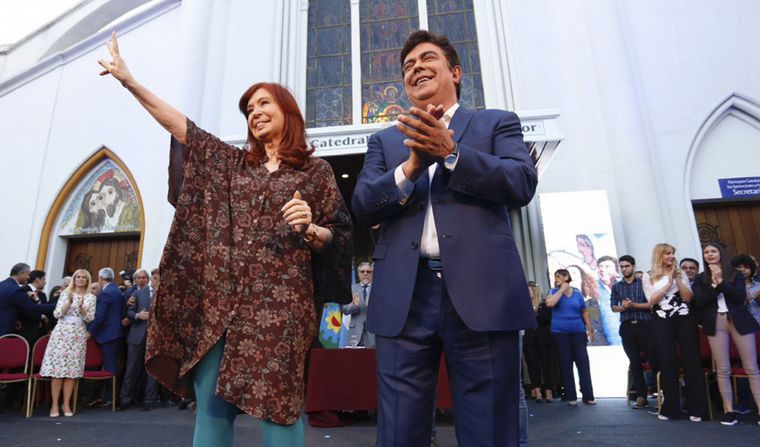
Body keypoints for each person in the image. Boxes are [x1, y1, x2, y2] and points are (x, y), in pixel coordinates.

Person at [98, 33, 352, 447]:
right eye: (249, 110)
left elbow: (338, 237)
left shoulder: (315, 171)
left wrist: (311, 229)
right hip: (221, 311)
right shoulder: (233, 164)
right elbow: (183, 127)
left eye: (264, 104)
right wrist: (130, 81)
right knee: (212, 412)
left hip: (282, 311)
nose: (255, 113)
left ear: (288, 111)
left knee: (279, 413)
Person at [351, 30, 537, 446]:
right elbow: (363, 204)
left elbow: (521, 182)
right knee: (399, 431)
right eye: (408, 66)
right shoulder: (385, 141)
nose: (415, 67)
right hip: (404, 296)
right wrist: (412, 167)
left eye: (427, 58)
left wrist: (452, 153)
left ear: (455, 72)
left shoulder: (496, 123)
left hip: (482, 292)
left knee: (490, 428)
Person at [693, 244, 760, 426]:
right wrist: (715, 285)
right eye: (706, 252)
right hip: (716, 321)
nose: (709, 254)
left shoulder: (735, 274)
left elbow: (739, 297)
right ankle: (729, 410)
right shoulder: (700, 278)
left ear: (721, 254)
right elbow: (700, 302)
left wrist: (721, 282)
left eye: (713, 251)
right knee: (722, 369)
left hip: (738, 320)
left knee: (751, 367)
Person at [642, 243, 706, 422]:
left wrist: (677, 279)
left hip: (684, 317)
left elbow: (687, 297)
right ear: (659, 256)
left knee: (691, 360)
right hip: (661, 319)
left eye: (672, 253)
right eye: (667, 253)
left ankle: (696, 409)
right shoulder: (648, 275)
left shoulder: (681, 273)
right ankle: (671, 408)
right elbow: (652, 300)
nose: (671, 256)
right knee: (667, 361)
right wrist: (668, 282)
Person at [39, 269, 96, 417]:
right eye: (78, 277)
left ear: (87, 280)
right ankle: (54, 405)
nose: (81, 279)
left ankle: (66, 404)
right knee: (58, 372)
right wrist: (68, 303)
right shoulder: (65, 293)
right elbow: (57, 314)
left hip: (78, 334)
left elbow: (89, 318)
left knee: (71, 372)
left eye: (84, 277)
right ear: (74, 279)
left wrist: (82, 308)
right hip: (62, 333)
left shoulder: (91, 297)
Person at [610, 255, 655, 409]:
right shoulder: (617, 286)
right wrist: (623, 307)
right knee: (634, 362)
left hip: (645, 324)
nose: (624, 269)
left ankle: (662, 393)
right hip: (627, 326)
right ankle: (641, 396)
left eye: (627, 266)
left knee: (653, 360)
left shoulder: (643, 282)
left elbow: (652, 304)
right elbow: (613, 307)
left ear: (633, 266)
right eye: (621, 266)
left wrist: (633, 305)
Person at [545, 269, 595, 405]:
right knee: (566, 363)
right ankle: (571, 395)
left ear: (566, 277)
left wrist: (589, 328)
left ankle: (588, 395)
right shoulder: (553, 291)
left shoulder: (577, 293)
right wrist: (561, 290)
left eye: (558, 276)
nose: (556, 278)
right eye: (555, 276)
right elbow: (550, 304)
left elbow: (584, 310)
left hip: (578, 331)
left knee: (583, 362)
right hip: (560, 333)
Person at [118, 269, 157, 411]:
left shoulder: (166, 294)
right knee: (131, 369)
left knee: (152, 370)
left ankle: (149, 400)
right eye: (155, 277)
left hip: (155, 337)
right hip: (137, 336)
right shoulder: (138, 293)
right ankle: (125, 399)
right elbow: (129, 311)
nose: (157, 280)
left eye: (159, 278)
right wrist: (137, 316)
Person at [86, 267, 125, 407]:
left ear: (100, 278)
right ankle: (107, 397)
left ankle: (110, 398)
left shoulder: (106, 293)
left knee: (109, 367)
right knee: (111, 365)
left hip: (108, 334)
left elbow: (100, 317)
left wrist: (90, 332)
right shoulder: (116, 290)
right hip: (113, 333)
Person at [0, 263, 54, 336]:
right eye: (28, 274)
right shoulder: (16, 289)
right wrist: (56, 305)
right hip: (5, 329)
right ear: (21, 273)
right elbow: (31, 307)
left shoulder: (2, 284)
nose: (28, 277)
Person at [523, 282, 555, 402]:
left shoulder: (544, 305)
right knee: (532, 365)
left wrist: (536, 310)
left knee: (546, 364)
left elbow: (546, 320)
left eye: (530, 291)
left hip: (543, 338)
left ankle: (549, 390)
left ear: (535, 291)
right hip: (529, 338)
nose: (528, 293)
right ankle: (536, 390)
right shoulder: (523, 306)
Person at [342, 262, 375, 347]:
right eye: (362, 271)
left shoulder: (378, 288)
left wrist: (372, 306)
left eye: (368, 272)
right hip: (355, 333)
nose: (365, 274)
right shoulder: (351, 288)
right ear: (358, 274)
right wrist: (354, 305)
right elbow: (345, 310)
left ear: (372, 274)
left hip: (373, 334)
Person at [20, 269, 50, 346]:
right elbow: (23, 309)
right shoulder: (22, 290)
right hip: (24, 330)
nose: (45, 282)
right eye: (43, 279)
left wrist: (37, 300)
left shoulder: (42, 295)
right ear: (37, 279)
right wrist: (40, 316)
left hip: (39, 332)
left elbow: (45, 310)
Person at [597, 256, 622, 345]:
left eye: (607, 266)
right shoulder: (594, 289)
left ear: (616, 269)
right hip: (610, 342)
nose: (603, 270)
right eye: (600, 267)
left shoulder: (624, 285)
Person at [731, 254, 760, 325]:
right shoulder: (732, 289)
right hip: (746, 326)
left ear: (752, 269)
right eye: (739, 267)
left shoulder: (758, 285)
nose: (743, 270)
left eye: (746, 267)